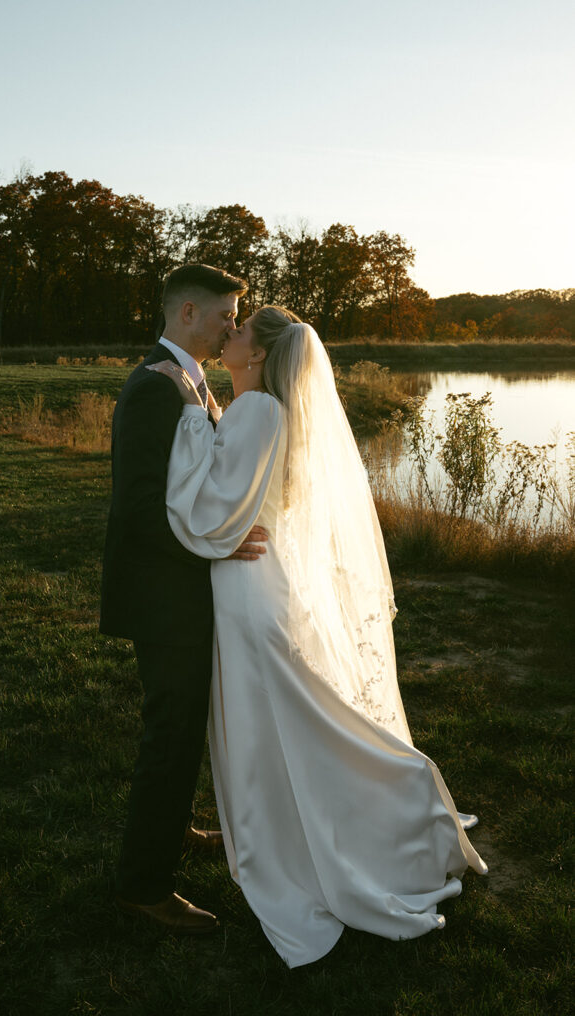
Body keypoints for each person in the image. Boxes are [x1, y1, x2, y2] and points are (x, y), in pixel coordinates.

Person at [148, 304, 488, 967]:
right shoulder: (267, 408)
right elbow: (246, 491)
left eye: (240, 330)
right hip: (260, 577)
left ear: (261, 353)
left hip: (246, 590)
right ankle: (345, 814)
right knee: (285, 715)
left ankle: (397, 794)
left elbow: (211, 501)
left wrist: (191, 410)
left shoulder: (254, 410)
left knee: (284, 718)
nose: (229, 333)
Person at [100, 264, 269, 934]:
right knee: (168, 735)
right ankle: (143, 887)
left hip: (184, 592)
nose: (233, 324)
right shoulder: (154, 387)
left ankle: (175, 827)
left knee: (182, 725)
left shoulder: (190, 382)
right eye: (228, 314)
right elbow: (140, 511)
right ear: (189, 312)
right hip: (161, 596)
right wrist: (218, 546)